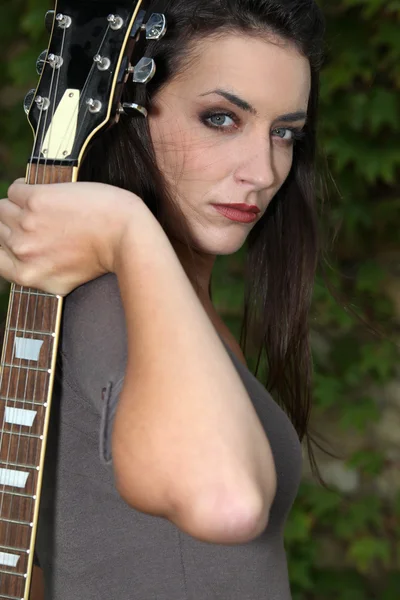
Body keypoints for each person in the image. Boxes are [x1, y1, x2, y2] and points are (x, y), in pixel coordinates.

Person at [0, 0, 326, 598]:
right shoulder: (115, 305)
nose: (262, 170)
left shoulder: (163, 295)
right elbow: (225, 503)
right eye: (222, 119)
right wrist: (128, 228)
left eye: (285, 133)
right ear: (128, 117)